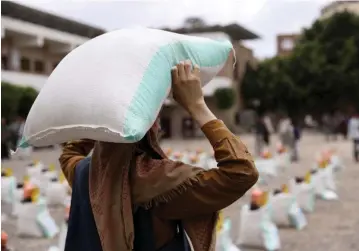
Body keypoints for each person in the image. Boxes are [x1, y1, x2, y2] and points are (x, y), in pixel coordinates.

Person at [60, 61, 259, 251]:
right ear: (149, 125)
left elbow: (69, 153)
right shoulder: (159, 181)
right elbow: (242, 172)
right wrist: (198, 106)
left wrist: (102, 117)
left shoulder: (83, 172)